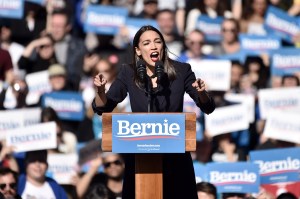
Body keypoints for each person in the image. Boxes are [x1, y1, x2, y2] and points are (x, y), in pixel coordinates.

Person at [92, 25, 215, 199]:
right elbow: (103, 107)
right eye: (147, 43)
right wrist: (100, 92)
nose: (154, 46)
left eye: (158, 42)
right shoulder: (129, 72)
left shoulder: (182, 71)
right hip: (140, 156)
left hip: (176, 157)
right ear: (138, 50)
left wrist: (202, 93)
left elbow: (207, 107)